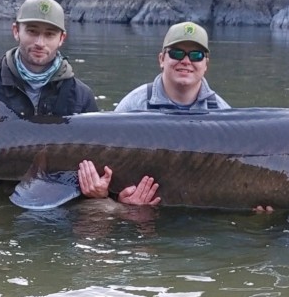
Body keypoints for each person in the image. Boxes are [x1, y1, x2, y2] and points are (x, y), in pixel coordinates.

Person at [0, 0, 98, 202]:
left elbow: (92, 170)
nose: (40, 42)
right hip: (6, 199)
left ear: (61, 39)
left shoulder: (82, 96)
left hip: (61, 203)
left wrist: (97, 192)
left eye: (49, 34)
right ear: (16, 31)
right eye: (32, 31)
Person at [77, 21, 229, 204]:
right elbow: (106, 167)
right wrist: (117, 198)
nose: (186, 61)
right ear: (161, 59)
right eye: (176, 53)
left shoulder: (223, 113)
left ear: (206, 65)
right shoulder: (133, 104)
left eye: (196, 55)